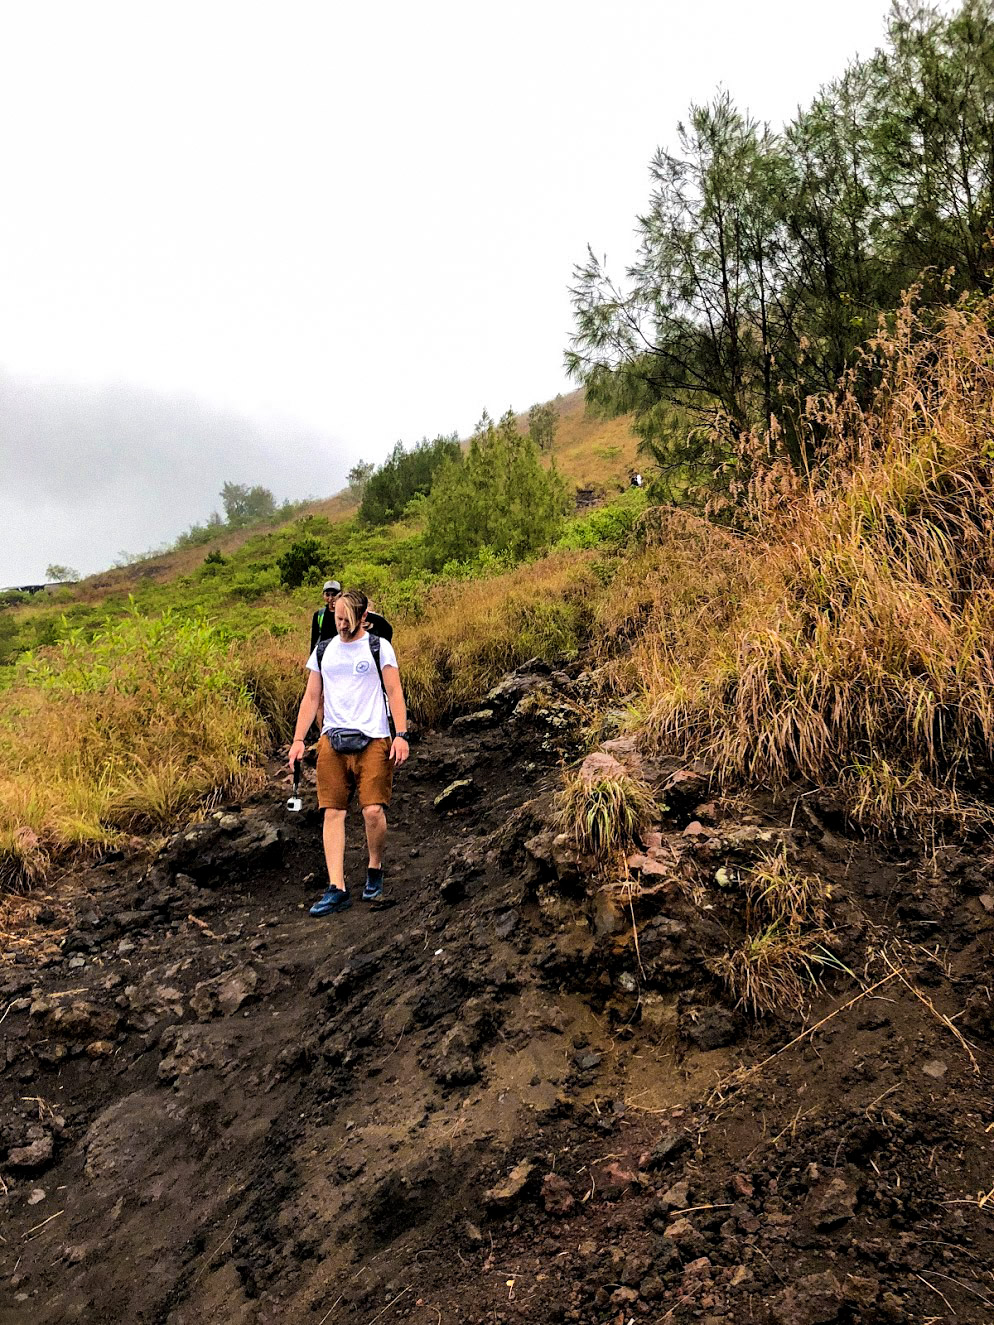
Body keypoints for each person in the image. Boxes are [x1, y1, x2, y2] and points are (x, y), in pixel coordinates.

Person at [288, 589, 410, 916]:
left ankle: (374, 868)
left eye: (347, 619)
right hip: (332, 740)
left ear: (363, 619)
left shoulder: (378, 647)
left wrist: (401, 734)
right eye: (337, 619)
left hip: (374, 738)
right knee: (333, 812)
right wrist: (300, 740)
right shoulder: (323, 650)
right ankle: (336, 887)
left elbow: (394, 691)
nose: (341, 625)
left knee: (372, 811)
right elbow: (311, 697)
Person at [309, 580, 394, 651]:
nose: (331, 598)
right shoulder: (319, 615)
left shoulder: (350, 614)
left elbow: (386, 627)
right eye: (327, 594)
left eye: (334, 594)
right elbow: (314, 641)